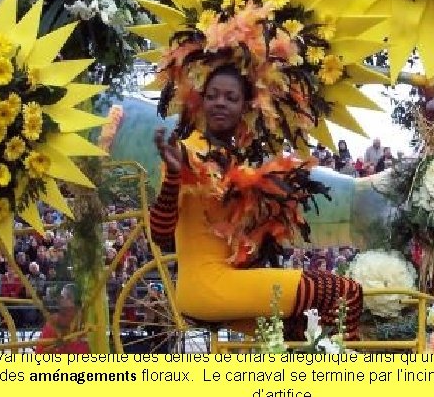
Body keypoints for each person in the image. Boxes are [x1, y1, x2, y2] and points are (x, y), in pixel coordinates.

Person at [150, 65, 363, 340]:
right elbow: (160, 234)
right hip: (206, 288)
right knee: (345, 292)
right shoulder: (187, 152)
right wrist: (173, 178)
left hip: (228, 283)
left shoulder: (236, 158)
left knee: (300, 333)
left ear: (245, 107)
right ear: (201, 101)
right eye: (213, 95)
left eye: (230, 98)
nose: (220, 103)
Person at [35, 284, 90, 354]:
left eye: (64, 297)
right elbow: (40, 351)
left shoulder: (84, 323)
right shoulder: (53, 322)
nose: (60, 299)